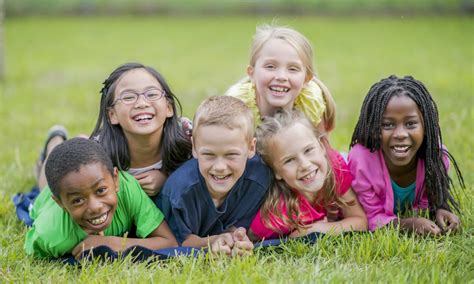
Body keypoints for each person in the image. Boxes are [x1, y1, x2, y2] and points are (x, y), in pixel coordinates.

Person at [156, 96, 272, 256]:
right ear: (194, 148)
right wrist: (215, 241)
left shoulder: (259, 179)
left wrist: (237, 239)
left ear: (251, 148)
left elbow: (239, 226)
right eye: (209, 154)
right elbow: (181, 242)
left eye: (231, 154)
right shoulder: (179, 191)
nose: (220, 167)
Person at [348, 75, 464, 235]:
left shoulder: (435, 157)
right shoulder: (362, 162)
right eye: (388, 124)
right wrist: (406, 224)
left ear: (426, 126)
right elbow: (370, 218)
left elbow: (432, 199)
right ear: (373, 127)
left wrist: (440, 208)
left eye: (410, 124)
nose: (401, 134)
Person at [24, 138, 177, 259]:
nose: (95, 206)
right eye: (78, 200)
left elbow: (169, 242)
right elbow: (31, 250)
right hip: (47, 200)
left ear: (115, 180)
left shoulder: (128, 189)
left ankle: (80, 139)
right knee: (43, 187)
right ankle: (54, 141)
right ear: (60, 204)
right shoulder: (51, 233)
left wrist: (112, 243)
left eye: (101, 190)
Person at [249, 110, 367, 240]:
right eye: (289, 160)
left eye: (308, 150)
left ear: (321, 146)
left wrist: (317, 229)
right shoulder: (276, 213)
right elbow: (252, 239)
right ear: (276, 172)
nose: (305, 165)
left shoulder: (335, 166)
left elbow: (360, 221)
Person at [89, 62, 192, 196]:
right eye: (128, 97)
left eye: (152, 94)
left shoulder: (186, 133)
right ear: (112, 115)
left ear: (169, 107)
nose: (142, 104)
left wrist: (168, 179)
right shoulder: (98, 151)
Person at [225, 24, 336, 133]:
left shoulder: (311, 102)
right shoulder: (236, 108)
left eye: (293, 69)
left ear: (306, 79)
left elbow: (322, 150)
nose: (281, 77)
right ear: (252, 73)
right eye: (270, 67)